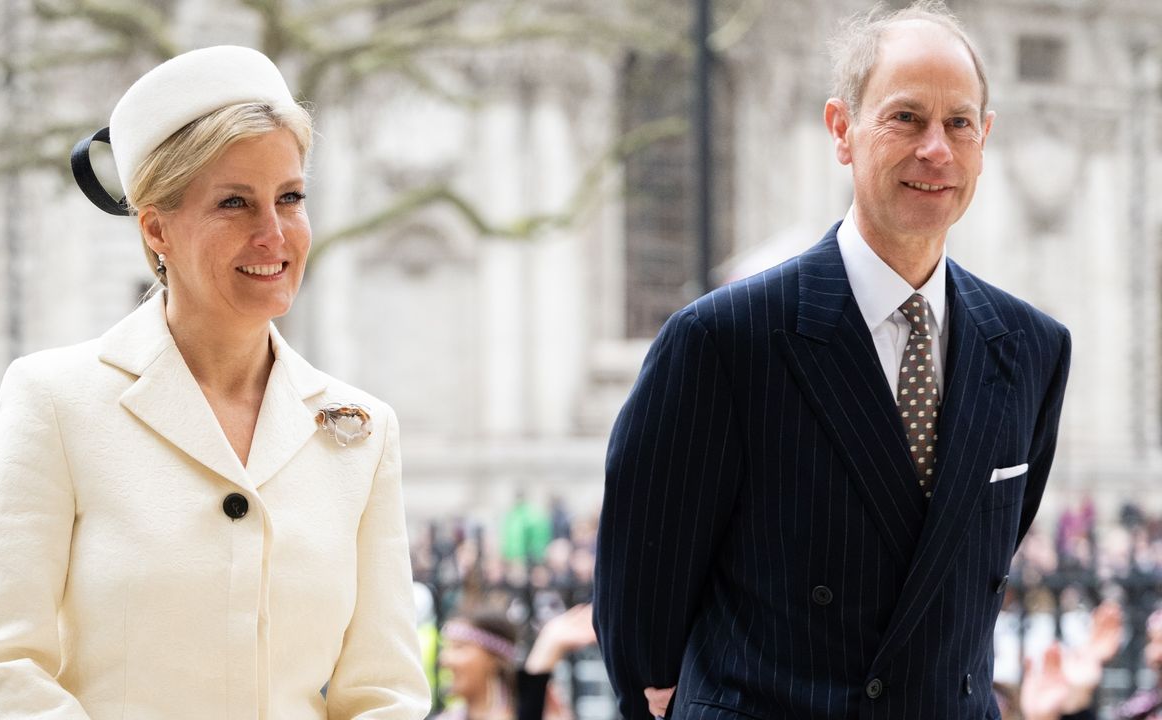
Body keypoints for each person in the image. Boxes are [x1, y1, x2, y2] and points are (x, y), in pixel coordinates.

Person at [593, 1, 1073, 718]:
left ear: (985, 138)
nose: (935, 149)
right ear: (842, 130)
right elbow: (640, 625)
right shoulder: (722, 340)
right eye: (906, 118)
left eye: (959, 122)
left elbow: (958, 580)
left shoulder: (1033, 346)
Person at [0, 46, 430, 718]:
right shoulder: (54, 401)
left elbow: (386, 690)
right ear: (156, 228)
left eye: (290, 198)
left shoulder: (361, 429)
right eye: (234, 203)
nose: (274, 233)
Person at [435, 604, 597, 720]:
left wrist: (549, 646)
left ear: (494, 659)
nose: (444, 659)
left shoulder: (537, 710)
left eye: (459, 648)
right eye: (446, 648)